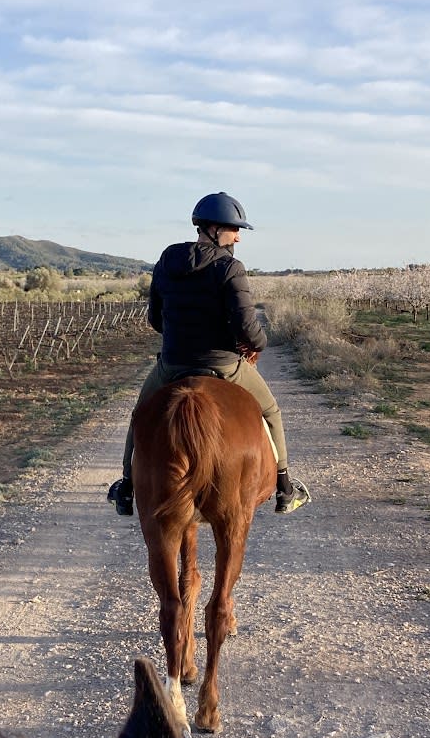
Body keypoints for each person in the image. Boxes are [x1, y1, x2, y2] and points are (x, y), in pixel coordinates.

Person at [108, 192, 311, 518]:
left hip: (172, 364)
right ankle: (285, 488)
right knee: (271, 410)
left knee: (140, 413)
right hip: (225, 365)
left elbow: (155, 320)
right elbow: (247, 327)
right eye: (234, 229)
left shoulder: (165, 262)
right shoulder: (230, 267)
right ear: (214, 229)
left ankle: (127, 486)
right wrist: (260, 342)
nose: (238, 236)